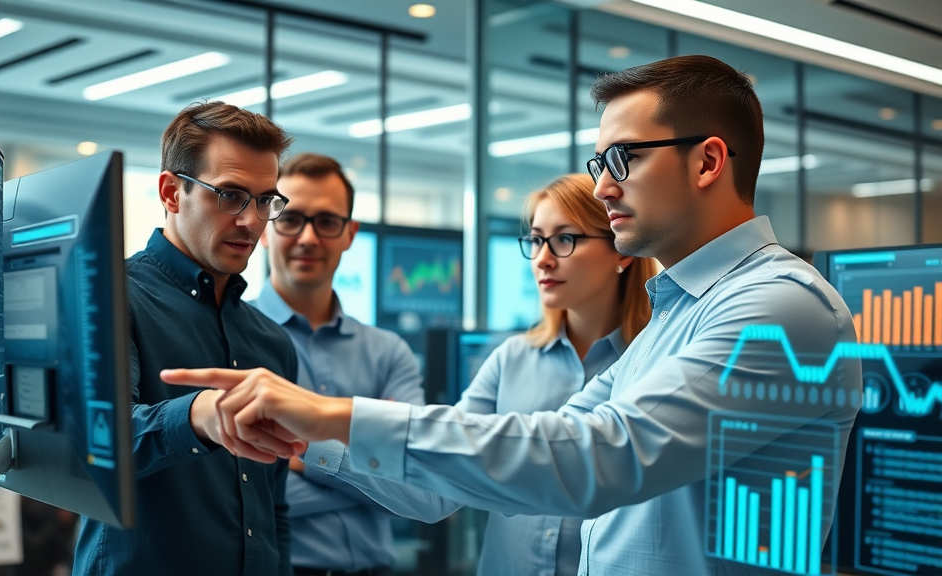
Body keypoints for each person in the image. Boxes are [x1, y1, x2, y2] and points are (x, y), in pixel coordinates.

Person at [163, 55, 863, 575]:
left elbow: (600, 456)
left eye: (622, 157)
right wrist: (302, 432)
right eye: (597, 161)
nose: (603, 184)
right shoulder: (680, 315)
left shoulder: (778, 308)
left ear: (709, 161)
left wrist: (332, 415)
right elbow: (529, 440)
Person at [299, 172, 655, 576]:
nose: (542, 258)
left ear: (622, 251)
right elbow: (435, 493)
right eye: (536, 240)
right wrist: (311, 442)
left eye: (565, 238)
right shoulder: (510, 361)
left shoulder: (655, 362)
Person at [74, 102, 298, 576]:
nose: (253, 221)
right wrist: (197, 417)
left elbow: (272, 504)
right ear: (172, 192)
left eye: (265, 200)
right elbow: (91, 445)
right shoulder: (108, 296)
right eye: (232, 195)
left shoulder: (272, 342)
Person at [252, 152, 425, 576]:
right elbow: (235, 498)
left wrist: (300, 454)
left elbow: (419, 485)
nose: (309, 237)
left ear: (350, 234)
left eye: (327, 222)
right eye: (291, 219)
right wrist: (371, 466)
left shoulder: (389, 351)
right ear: (264, 229)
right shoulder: (232, 343)